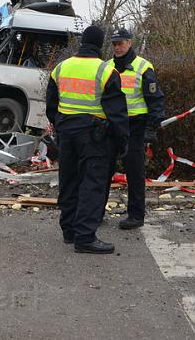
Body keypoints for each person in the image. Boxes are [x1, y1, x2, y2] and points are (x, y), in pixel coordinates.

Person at [46, 25, 129, 254]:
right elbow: (117, 113)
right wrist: (123, 142)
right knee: (92, 183)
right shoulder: (105, 71)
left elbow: (51, 104)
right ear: (100, 44)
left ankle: (69, 231)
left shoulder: (61, 68)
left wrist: (61, 125)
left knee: (69, 180)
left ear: (82, 42)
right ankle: (85, 237)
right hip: (93, 135)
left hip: (66, 133)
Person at [108, 28, 166, 230]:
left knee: (134, 172)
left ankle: (136, 214)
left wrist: (151, 129)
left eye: (120, 43)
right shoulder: (107, 67)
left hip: (136, 126)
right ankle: (96, 212)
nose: (117, 47)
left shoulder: (143, 67)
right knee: (103, 171)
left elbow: (156, 100)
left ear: (130, 43)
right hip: (113, 126)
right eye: (114, 43)